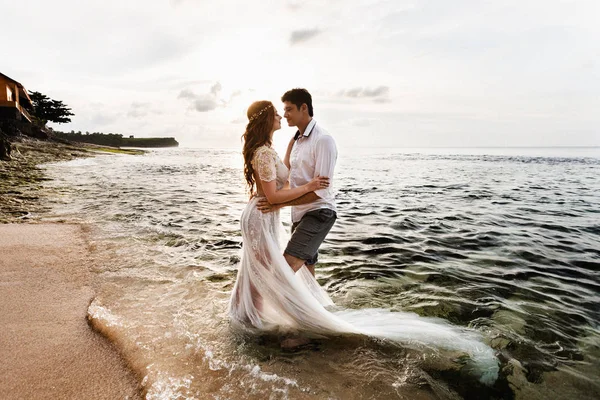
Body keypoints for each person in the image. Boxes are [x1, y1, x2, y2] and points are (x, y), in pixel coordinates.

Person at [228, 98, 499, 385]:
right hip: (260, 216)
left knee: (264, 270)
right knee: (267, 271)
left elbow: (281, 181)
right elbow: (272, 196)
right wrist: (309, 186)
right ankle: (257, 321)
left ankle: (256, 318)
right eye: (277, 113)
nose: (282, 116)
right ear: (266, 118)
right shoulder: (262, 153)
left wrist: (292, 155)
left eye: (287, 111)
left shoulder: (271, 150)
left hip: (264, 217)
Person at [257, 88, 337, 278]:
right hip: (299, 215)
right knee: (306, 278)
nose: (284, 115)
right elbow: (289, 180)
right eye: (283, 110)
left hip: (319, 213)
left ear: (303, 108)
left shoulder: (323, 140)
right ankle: (316, 308)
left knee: (284, 271)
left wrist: (278, 204)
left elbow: (320, 192)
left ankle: (267, 308)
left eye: (289, 109)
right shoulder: (296, 142)